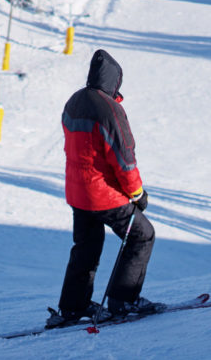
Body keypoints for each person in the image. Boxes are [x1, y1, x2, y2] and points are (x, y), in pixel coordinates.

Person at [47, 49, 157, 329]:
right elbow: (124, 159)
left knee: (86, 246)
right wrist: (137, 194)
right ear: (114, 82)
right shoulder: (110, 110)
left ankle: (73, 306)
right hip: (102, 193)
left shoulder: (74, 100)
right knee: (142, 235)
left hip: (77, 192)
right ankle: (123, 299)